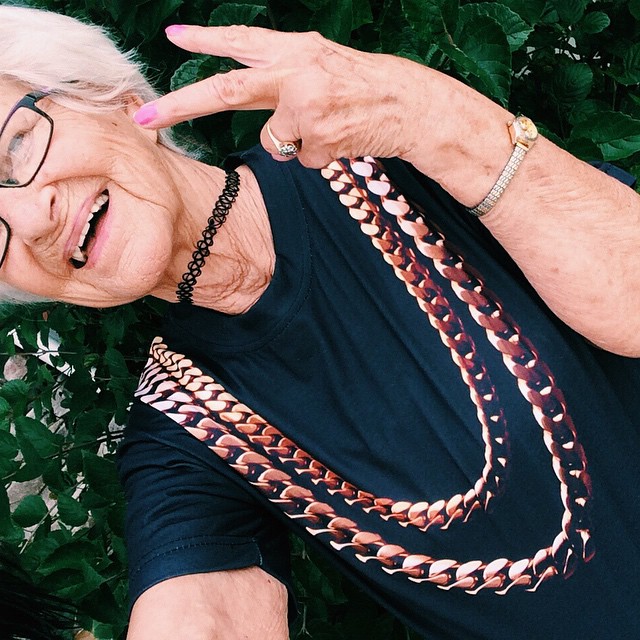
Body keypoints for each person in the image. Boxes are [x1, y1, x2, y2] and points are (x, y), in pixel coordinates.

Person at [0, 5, 639, 639]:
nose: (30, 222)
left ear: (115, 99)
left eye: (17, 145)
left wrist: (436, 117)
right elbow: (203, 616)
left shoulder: (394, 148)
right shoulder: (185, 431)